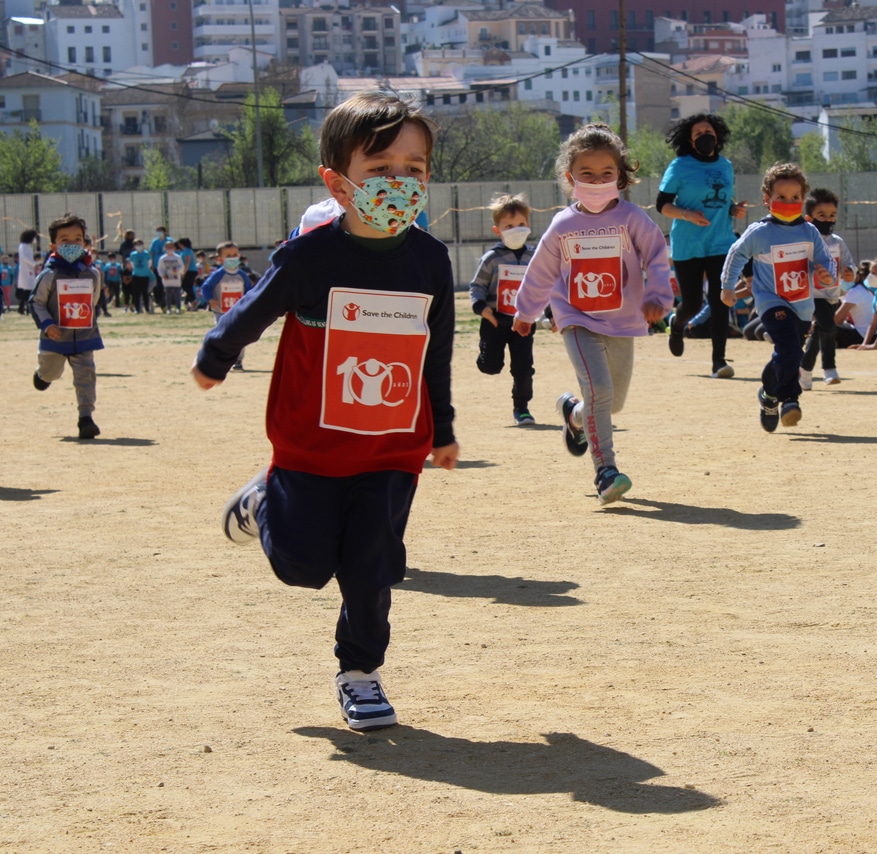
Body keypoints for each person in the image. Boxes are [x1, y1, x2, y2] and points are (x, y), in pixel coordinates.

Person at [191, 91, 457, 732]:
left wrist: (441, 428)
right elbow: (251, 310)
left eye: (414, 169)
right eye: (380, 170)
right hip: (309, 446)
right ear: (338, 184)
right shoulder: (310, 257)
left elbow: (436, 349)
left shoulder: (430, 260)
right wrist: (216, 355)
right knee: (303, 568)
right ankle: (264, 502)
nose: (400, 183)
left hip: (392, 449)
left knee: (372, 568)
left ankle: (361, 674)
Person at [512, 123, 670, 505]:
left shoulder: (632, 218)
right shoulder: (563, 225)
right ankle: (606, 472)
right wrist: (526, 311)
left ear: (620, 176)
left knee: (611, 402)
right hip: (576, 318)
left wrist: (656, 296)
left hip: (622, 319)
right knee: (599, 390)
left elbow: (657, 256)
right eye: (587, 174)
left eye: (606, 174)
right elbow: (541, 270)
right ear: (570, 177)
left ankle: (574, 414)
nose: (597, 181)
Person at [721, 163, 836, 432]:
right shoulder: (759, 232)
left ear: (803, 199)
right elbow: (736, 254)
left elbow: (826, 260)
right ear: (767, 199)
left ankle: (768, 396)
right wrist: (727, 286)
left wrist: (827, 275)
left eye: (795, 197)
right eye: (781, 197)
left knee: (790, 353)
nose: (789, 202)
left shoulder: (809, 232)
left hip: (802, 306)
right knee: (788, 349)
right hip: (771, 301)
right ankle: (790, 400)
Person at [657, 112, 746, 378]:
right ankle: (677, 322)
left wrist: (733, 209)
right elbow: (662, 205)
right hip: (688, 243)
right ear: (690, 140)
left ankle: (719, 361)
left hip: (721, 242)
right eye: (698, 133)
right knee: (693, 304)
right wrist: (687, 214)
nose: (705, 136)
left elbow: (719, 201)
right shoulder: (679, 166)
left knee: (721, 301)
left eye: (709, 131)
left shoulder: (726, 165)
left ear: (717, 135)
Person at [29, 213, 104, 439]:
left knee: (86, 375)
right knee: (53, 371)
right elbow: (36, 302)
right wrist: (48, 325)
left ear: (85, 242)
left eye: (77, 240)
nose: (72, 245)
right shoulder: (48, 275)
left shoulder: (92, 274)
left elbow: (94, 300)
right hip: (54, 338)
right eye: (65, 241)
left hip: (84, 336)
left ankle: (86, 418)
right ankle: (43, 376)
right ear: (53, 245)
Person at [469, 193, 538, 426]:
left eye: (520, 224)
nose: (516, 229)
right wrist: (482, 309)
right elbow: (477, 286)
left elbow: (545, 285)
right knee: (491, 366)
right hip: (495, 321)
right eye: (509, 226)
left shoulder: (535, 257)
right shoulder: (491, 258)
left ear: (528, 225)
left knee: (523, 368)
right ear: (497, 230)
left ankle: (522, 408)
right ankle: (485, 356)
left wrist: (550, 313)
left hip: (524, 322)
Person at [800, 187, 856, 388]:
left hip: (831, 294)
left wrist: (849, 271)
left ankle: (804, 370)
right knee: (829, 326)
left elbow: (848, 263)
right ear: (809, 218)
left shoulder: (837, 242)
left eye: (832, 215)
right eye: (821, 215)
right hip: (811, 294)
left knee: (819, 332)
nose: (828, 219)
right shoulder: (804, 242)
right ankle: (829, 369)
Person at [201, 242, 254, 370]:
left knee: (239, 337)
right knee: (223, 336)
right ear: (220, 259)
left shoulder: (242, 276)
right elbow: (206, 287)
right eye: (228, 255)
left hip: (238, 312)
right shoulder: (218, 275)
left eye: (235, 254)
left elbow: (249, 291)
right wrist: (210, 299)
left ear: (239, 255)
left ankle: (238, 361)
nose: (232, 258)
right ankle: (220, 360)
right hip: (221, 312)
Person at [157, 238, 186, 314]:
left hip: (176, 278)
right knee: (168, 294)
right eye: (168, 247)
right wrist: (163, 275)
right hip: (167, 279)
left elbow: (182, 266)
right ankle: (169, 308)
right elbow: (160, 268)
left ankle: (178, 308)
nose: (170, 249)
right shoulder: (163, 258)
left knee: (177, 294)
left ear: (174, 248)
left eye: (171, 247)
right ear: (165, 248)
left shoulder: (177, 257)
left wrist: (178, 270)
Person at [127, 238, 153, 313]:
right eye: (136, 244)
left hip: (145, 275)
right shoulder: (133, 254)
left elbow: (149, 263)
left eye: (140, 244)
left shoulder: (147, 253)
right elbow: (132, 264)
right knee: (136, 293)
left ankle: (147, 308)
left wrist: (144, 270)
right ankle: (137, 309)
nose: (138, 246)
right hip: (136, 275)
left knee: (145, 292)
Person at [16, 228, 38, 315]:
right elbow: (25, 258)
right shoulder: (24, 246)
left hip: (29, 270)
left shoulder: (26, 246)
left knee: (28, 290)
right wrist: (34, 264)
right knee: (29, 290)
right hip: (27, 270)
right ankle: (25, 308)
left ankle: (23, 308)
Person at [177, 237, 198, 310]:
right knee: (188, 286)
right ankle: (188, 303)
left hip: (190, 270)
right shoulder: (187, 250)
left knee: (186, 286)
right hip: (191, 270)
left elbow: (187, 262)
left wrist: (184, 272)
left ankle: (193, 300)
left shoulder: (186, 251)